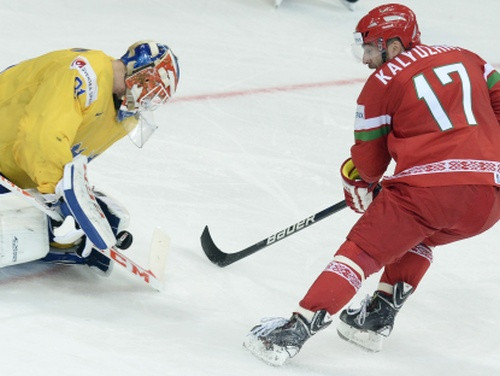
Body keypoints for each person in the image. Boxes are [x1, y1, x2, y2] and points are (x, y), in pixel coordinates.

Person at [243, 3, 500, 366]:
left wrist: (356, 177)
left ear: (394, 45)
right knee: (421, 233)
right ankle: (376, 318)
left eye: (369, 48)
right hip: (489, 199)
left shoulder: (381, 83)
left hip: (428, 195)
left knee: (363, 250)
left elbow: (370, 163)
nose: (365, 60)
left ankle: (291, 332)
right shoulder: (468, 56)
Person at [0, 41, 180, 275]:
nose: (145, 100)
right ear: (141, 73)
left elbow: (65, 157)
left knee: (70, 223)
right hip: (10, 159)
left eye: (154, 98)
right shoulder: (86, 73)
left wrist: (82, 201)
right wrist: (62, 193)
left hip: (10, 171)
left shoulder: (123, 118)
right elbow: (39, 139)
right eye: (150, 89)